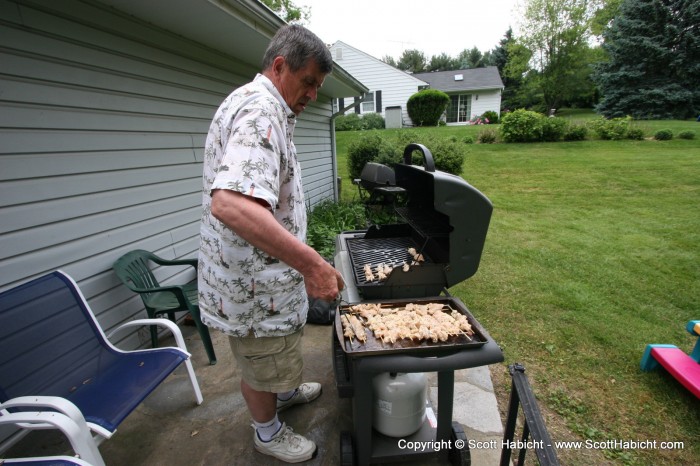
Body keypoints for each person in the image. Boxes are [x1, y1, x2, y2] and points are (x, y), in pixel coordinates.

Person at [198, 25, 344, 463]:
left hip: (266, 283)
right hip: (253, 288)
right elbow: (230, 204)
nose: (314, 95)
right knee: (261, 360)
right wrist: (312, 264)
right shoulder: (261, 111)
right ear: (280, 67)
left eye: (319, 86)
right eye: (309, 83)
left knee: (276, 353)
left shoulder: (263, 106)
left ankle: (285, 390)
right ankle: (267, 431)